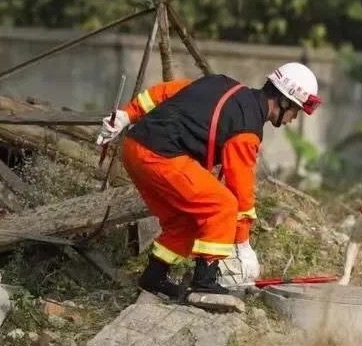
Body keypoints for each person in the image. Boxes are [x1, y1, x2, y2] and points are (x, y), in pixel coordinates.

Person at [95, 62, 323, 299]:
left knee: (184, 220)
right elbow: (240, 189)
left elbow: (165, 92)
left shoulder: (222, 84)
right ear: (284, 101)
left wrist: (126, 115)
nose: (294, 118)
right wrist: (243, 245)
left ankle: (154, 277)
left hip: (135, 147)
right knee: (221, 205)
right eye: (295, 110)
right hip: (159, 155)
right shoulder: (247, 129)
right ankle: (204, 283)